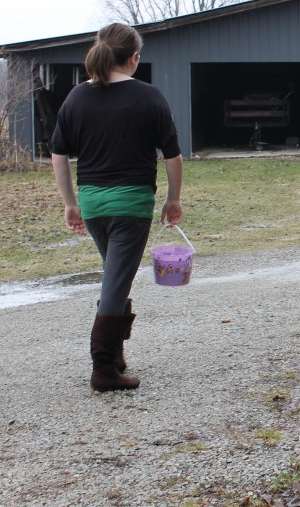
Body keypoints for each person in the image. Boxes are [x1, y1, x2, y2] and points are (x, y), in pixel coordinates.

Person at [51, 23, 183, 392]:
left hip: (93, 204)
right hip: (131, 205)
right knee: (115, 279)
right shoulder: (149, 96)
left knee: (115, 274)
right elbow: (172, 156)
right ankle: (104, 368)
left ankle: (116, 356)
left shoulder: (76, 97)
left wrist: (70, 203)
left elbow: (59, 155)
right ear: (134, 57)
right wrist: (173, 199)